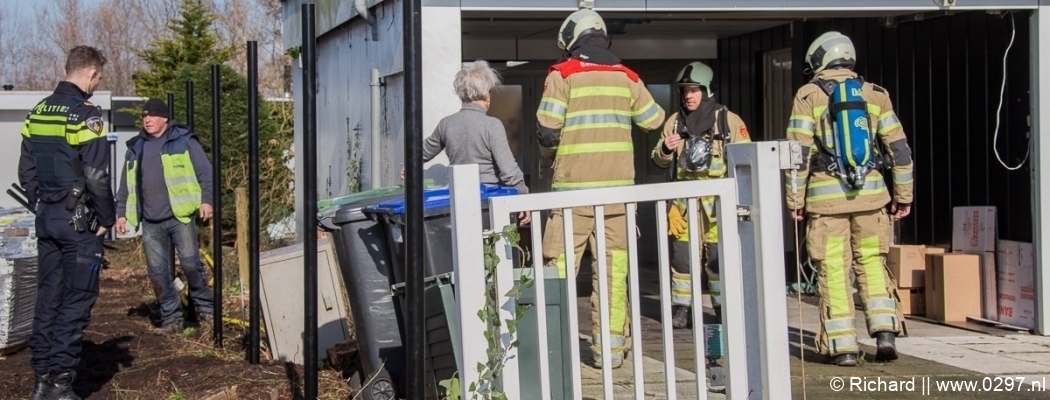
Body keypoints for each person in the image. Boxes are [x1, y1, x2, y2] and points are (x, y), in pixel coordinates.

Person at [536, 8, 665, 369]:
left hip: (571, 194)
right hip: (618, 196)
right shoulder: (627, 77)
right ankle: (608, 353)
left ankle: (553, 352)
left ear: (572, 39)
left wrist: (551, 159)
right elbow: (652, 120)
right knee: (614, 271)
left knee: (558, 269)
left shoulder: (562, 75)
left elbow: (547, 131)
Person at [785, 31, 914, 367]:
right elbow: (899, 150)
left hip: (827, 202)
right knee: (872, 263)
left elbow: (796, 153)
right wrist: (903, 195)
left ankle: (843, 348)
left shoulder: (808, 95)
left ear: (819, 59)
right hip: (872, 197)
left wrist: (795, 200)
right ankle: (885, 332)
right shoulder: (876, 94)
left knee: (835, 272)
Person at [20, 45, 114, 400]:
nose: (96, 84)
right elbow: (96, 175)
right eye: (98, 79)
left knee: (48, 299)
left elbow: (26, 169)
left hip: (47, 218)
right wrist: (105, 217)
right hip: (79, 224)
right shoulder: (85, 115)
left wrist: (42, 204)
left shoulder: (38, 111)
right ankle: (61, 384)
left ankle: (41, 379)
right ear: (90, 73)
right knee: (76, 301)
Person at [650, 61, 751, 330]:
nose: (688, 96)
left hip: (719, 207)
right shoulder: (673, 122)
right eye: (685, 91)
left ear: (706, 91)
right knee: (682, 260)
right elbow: (658, 162)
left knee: (718, 260)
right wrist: (665, 149)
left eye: (694, 90)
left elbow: (746, 161)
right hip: (684, 207)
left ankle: (721, 309)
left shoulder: (729, 121)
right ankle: (682, 310)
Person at [114, 98, 215, 336]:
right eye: (144, 117)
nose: (147, 120)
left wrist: (207, 200)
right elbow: (124, 185)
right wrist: (120, 214)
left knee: (191, 265)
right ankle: (172, 319)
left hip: (180, 217)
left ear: (165, 119)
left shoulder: (183, 141)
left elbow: (205, 172)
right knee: (158, 273)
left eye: (152, 116)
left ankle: (207, 313)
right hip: (150, 221)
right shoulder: (136, 147)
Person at [408, 60, 531, 225]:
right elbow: (509, 171)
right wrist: (523, 197)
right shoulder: (492, 125)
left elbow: (422, 152)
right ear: (486, 94)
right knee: (493, 248)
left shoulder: (447, 123)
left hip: (457, 198)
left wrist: (408, 166)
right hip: (488, 201)